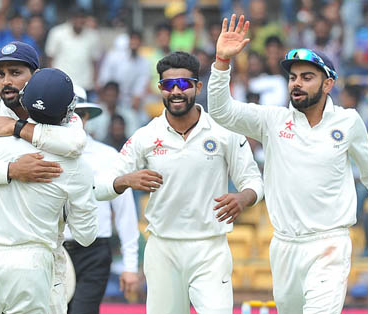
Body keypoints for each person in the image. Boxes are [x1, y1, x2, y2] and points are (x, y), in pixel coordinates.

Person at [208, 14, 368, 314]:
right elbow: (220, 111)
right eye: (293, 77)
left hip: (330, 244)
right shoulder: (273, 121)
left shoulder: (348, 122)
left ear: (329, 84)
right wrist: (222, 62)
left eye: (307, 77)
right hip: (284, 246)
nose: (296, 84)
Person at [95, 51, 264, 314]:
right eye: (168, 85)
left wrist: (243, 198)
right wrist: (126, 180)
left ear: (197, 86)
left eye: (183, 84)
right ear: (160, 88)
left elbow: (254, 181)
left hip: (210, 248)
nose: (176, 91)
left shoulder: (223, 133)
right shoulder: (146, 136)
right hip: (163, 248)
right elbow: (101, 186)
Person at [0, 41, 87, 314]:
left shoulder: (60, 116)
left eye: (15, 72)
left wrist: (17, 128)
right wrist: (11, 170)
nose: (6, 81)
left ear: (36, 74)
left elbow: (76, 144)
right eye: (0, 74)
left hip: (37, 255)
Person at [63, 86, 140, 314]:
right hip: (53, 250)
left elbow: (125, 213)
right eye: (65, 114)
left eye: (76, 114)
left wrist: (130, 266)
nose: (71, 121)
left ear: (86, 117)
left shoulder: (108, 156)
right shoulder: (43, 155)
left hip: (93, 252)